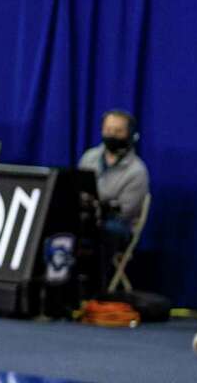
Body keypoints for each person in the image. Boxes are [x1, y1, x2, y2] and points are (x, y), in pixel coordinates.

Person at [78, 109, 150, 289]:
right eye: (108, 130)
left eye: (118, 131)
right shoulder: (89, 158)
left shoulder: (137, 170)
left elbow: (125, 212)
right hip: (87, 216)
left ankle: (98, 290)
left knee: (106, 230)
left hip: (117, 226)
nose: (112, 135)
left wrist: (100, 206)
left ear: (130, 135)